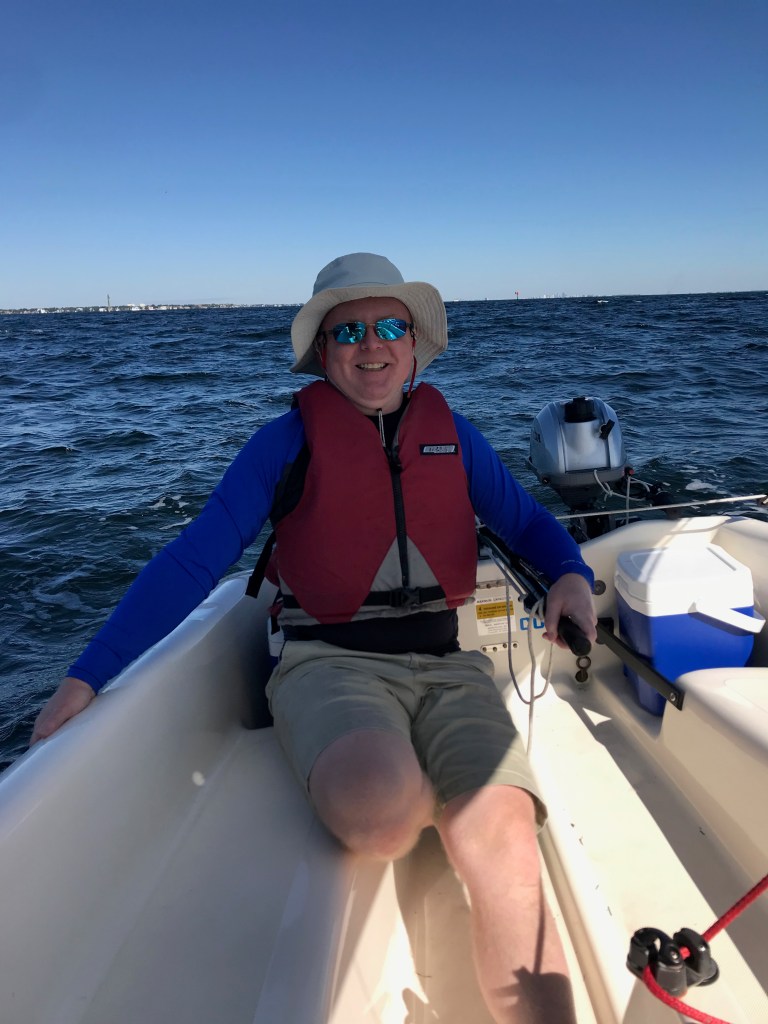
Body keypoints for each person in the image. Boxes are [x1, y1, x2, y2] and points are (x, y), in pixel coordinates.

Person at [32, 253, 597, 1024]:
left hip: (447, 663)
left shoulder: (455, 437)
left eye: (389, 326)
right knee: (381, 810)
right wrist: (87, 674)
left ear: (414, 344)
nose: (372, 346)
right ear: (323, 352)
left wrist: (570, 575)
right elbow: (195, 559)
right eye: (349, 332)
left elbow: (526, 522)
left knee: (505, 839)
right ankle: (428, 793)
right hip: (329, 662)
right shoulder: (284, 444)